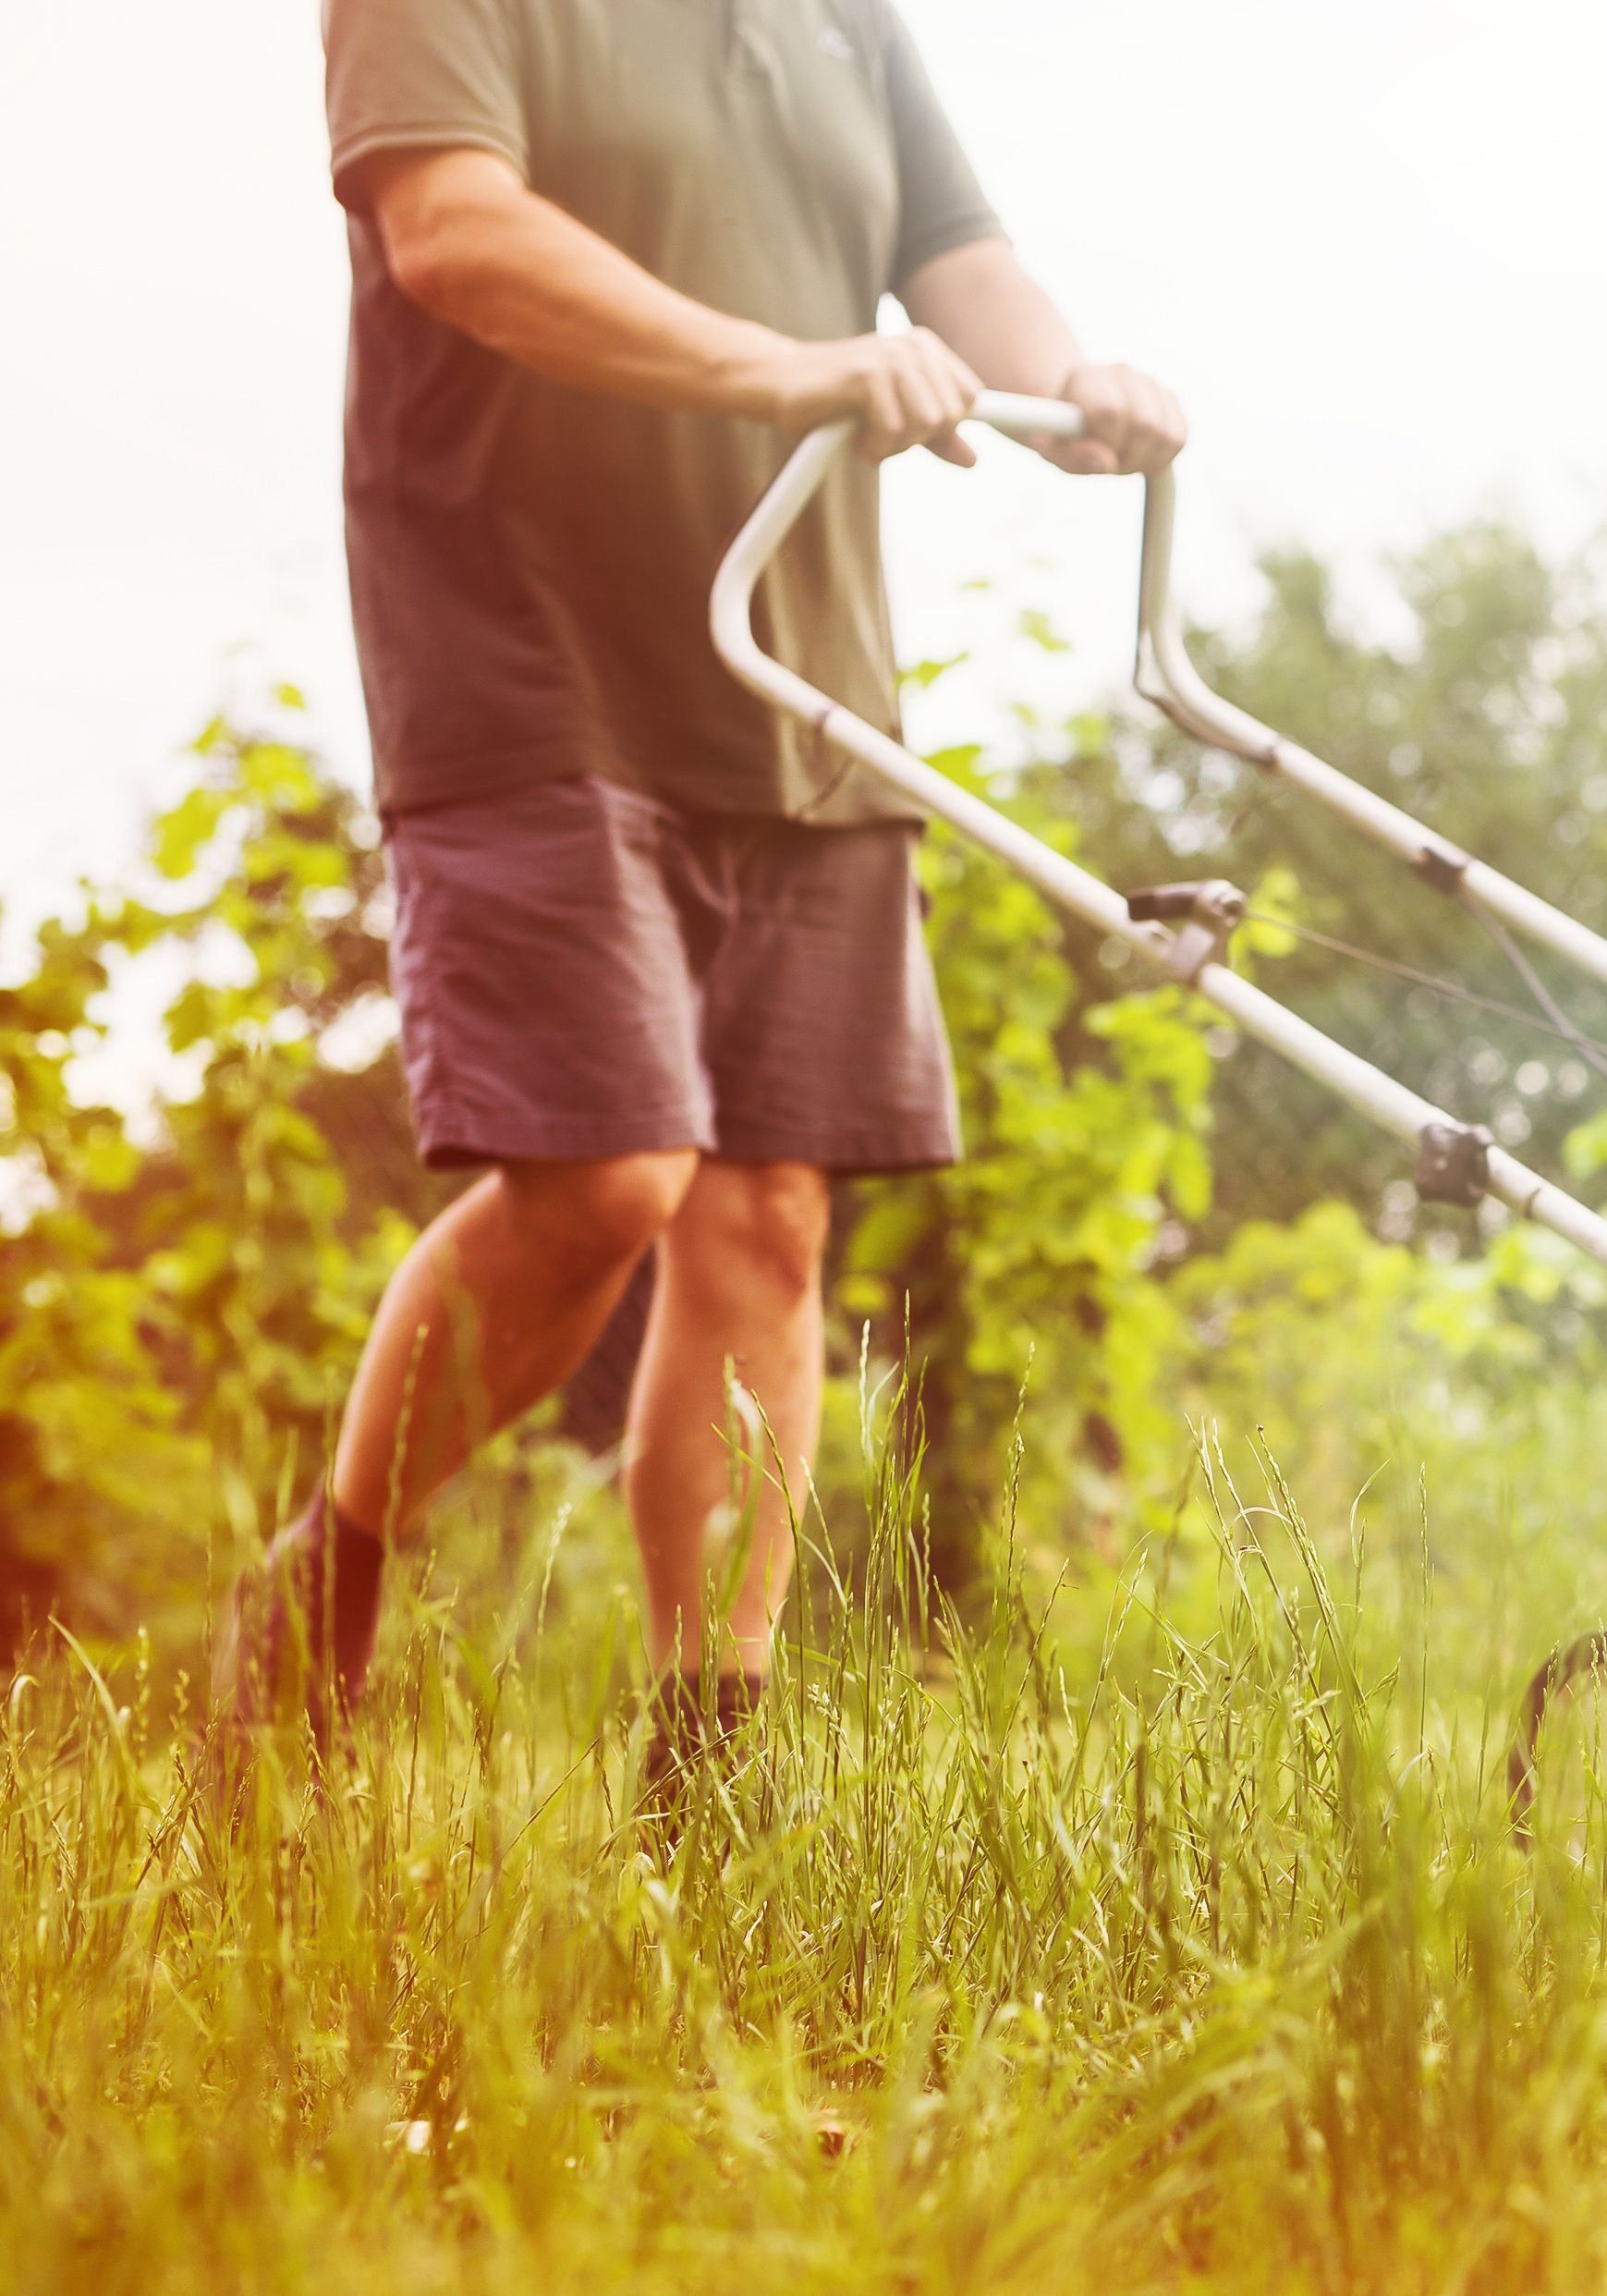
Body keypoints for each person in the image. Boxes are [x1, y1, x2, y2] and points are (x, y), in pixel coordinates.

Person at [220, 0, 1186, 1795]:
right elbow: (455, 234)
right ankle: (324, 1591)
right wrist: (791, 366)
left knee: (768, 1216)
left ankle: (705, 1763)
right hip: (525, 661)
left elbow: (953, 251)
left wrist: (1076, 387)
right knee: (604, 1174)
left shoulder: (838, 17)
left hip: (798, 674)